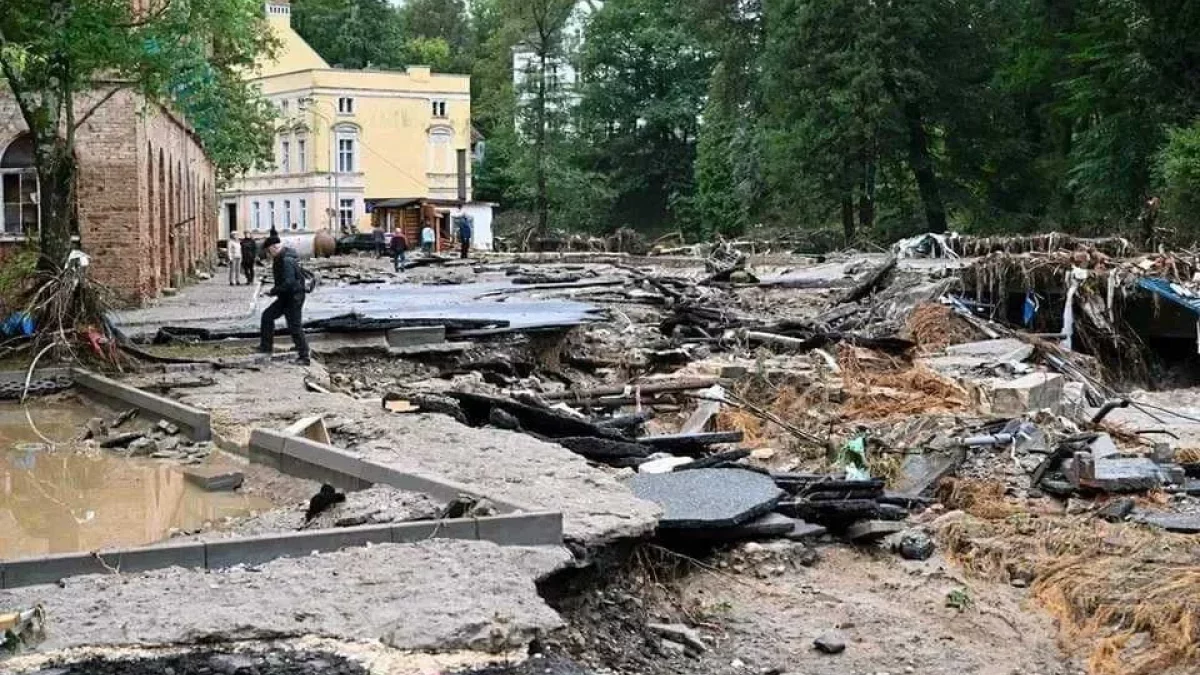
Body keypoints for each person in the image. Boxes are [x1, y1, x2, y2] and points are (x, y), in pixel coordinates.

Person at [258, 235, 311, 366]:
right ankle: (266, 347)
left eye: (268, 251)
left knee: (294, 326)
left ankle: (304, 356)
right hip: (286, 296)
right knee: (267, 316)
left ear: (274, 248)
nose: (268, 254)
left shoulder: (286, 260)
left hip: (293, 297)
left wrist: (272, 291)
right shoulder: (280, 257)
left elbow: (289, 283)